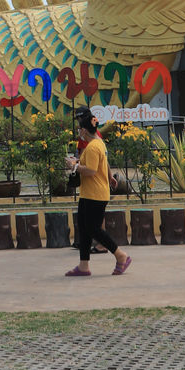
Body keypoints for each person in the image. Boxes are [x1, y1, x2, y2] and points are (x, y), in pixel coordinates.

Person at [64, 107, 131, 277]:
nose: (78, 130)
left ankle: (120, 255)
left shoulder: (93, 146)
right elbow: (100, 164)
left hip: (95, 194)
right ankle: (83, 265)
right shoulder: (98, 143)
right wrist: (79, 163)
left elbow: (92, 170)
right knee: (85, 227)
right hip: (89, 193)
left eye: (80, 128)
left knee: (93, 228)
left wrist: (74, 166)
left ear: (84, 130)